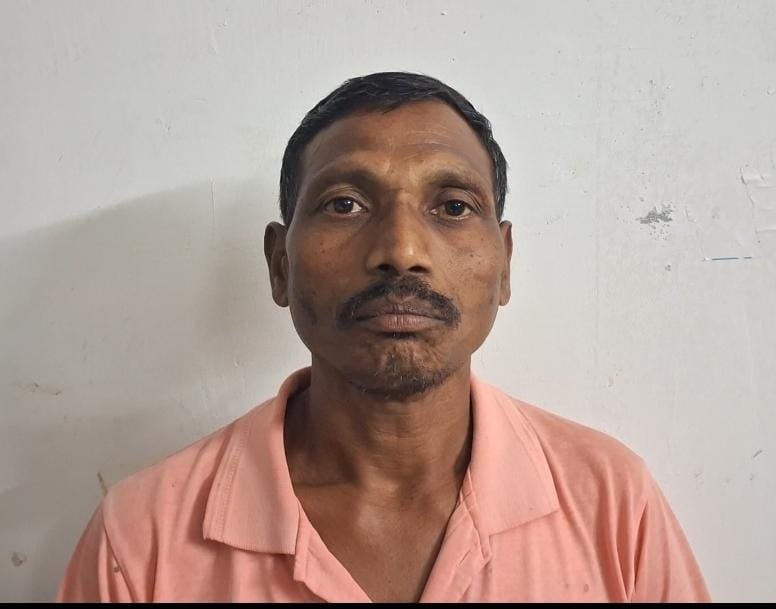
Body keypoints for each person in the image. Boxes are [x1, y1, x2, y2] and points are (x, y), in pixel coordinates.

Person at [56, 72, 710, 602]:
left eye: (452, 207)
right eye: (345, 203)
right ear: (280, 264)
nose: (401, 250)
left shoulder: (610, 504)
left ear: (505, 264)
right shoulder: (143, 539)